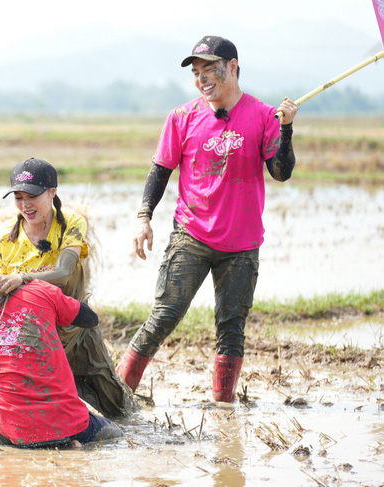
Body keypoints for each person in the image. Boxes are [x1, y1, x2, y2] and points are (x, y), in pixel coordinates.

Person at [116, 36, 299, 402]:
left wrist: (286, 128)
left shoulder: (263, 115)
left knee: (231, 329)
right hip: (192, 235)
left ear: (232, 67)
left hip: (242, 244)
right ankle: (116, 394)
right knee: (164, 316)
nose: (201, 79)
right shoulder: (182, 117)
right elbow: (161, 170)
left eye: (209, 70)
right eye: (196, 73)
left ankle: (223, 410)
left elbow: (281, 172)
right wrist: (143, 217)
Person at [0, 237, 124, 447]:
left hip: (13, 436)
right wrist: (28, 282)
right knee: (116, 434)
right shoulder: (38, 292)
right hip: (73, 426)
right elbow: (90, 318)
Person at [0, 157, 135, 419]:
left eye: (33, 196)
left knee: (115, 402)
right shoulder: (3, 235)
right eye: (19, 197)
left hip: (75, 325)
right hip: (32, 335)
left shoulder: (71, 223)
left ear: (52, 192)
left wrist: (23, 278)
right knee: (44, 403)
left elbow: (64, 273)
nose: (25, 205)